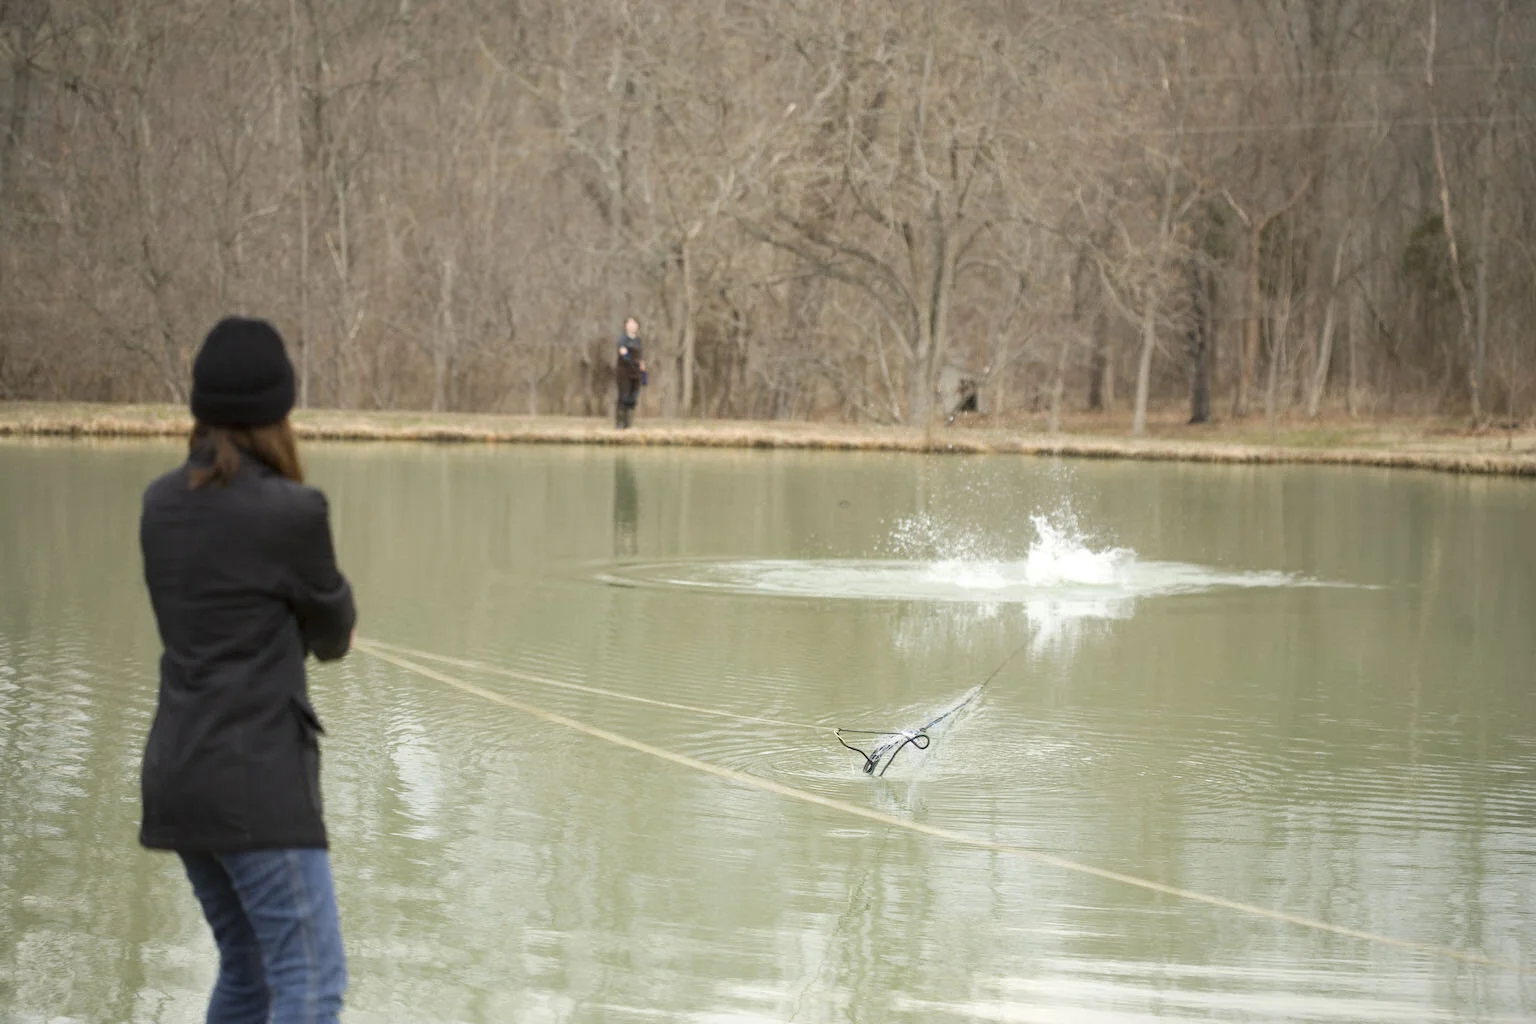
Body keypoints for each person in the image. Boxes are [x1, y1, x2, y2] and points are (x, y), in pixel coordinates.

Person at [139, 317, 357, 1023]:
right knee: (311, 980)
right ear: (279, 414)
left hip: (180, 778)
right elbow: (334, 636)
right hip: (259, 789)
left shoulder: (159, 504)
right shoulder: (293, 512)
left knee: (251, 969)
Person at [614, 316, 647, 429]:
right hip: (624, 373)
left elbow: (641, 358)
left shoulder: (638, 341)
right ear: (625, 325)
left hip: (636, 374)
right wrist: (632, 361)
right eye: (630, 323)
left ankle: (628, 425)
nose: (633, 325)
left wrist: (643, 373)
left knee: (633, 399)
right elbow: (623, 353)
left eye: (635, 323)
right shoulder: (622, 339)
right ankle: (619, 425)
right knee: (624, 397)